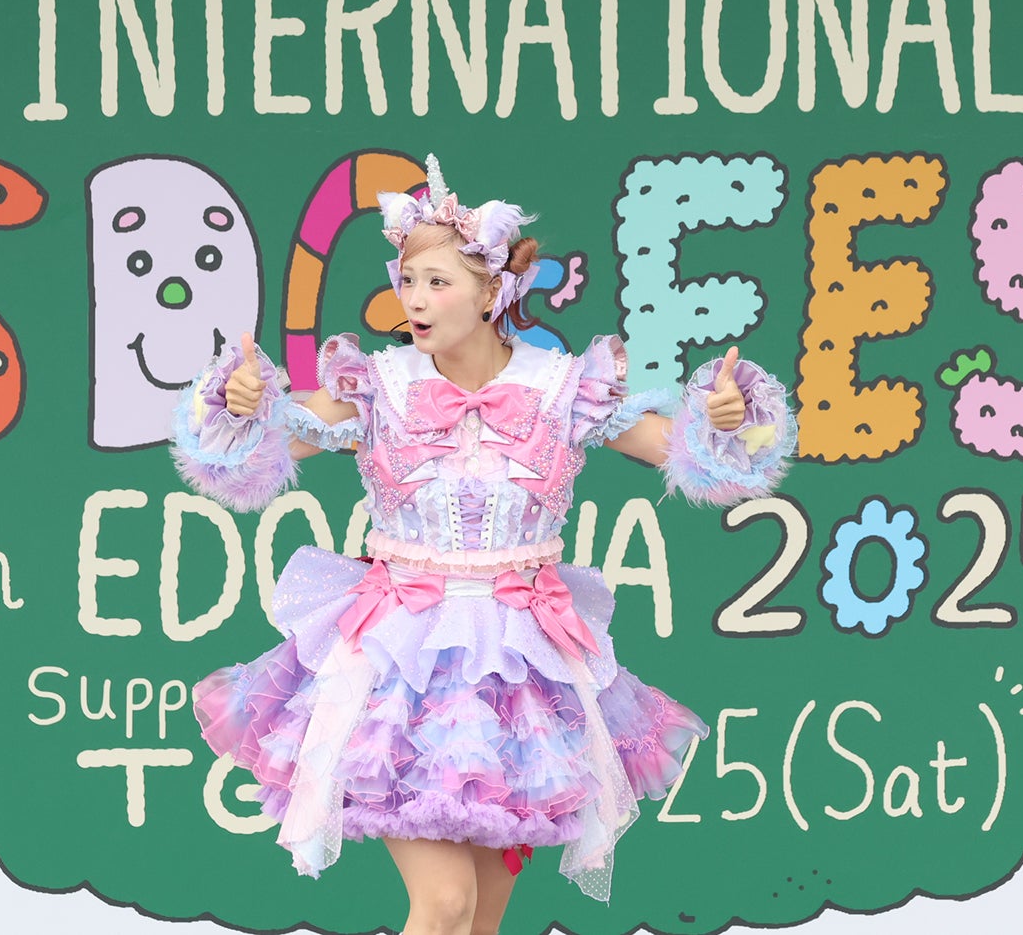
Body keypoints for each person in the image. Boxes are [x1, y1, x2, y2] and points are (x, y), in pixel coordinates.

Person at [171, 156, 795, 935]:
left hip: (519, 675)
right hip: (400, 666)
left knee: (481, 920)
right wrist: (242, 405)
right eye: (408, 280)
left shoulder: (561, 386)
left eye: (437, 281)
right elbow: (267, 441)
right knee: (445, 904)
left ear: (491, 292)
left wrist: (729, 419)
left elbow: (688, 452)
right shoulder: (380, 385)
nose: (415, 298)